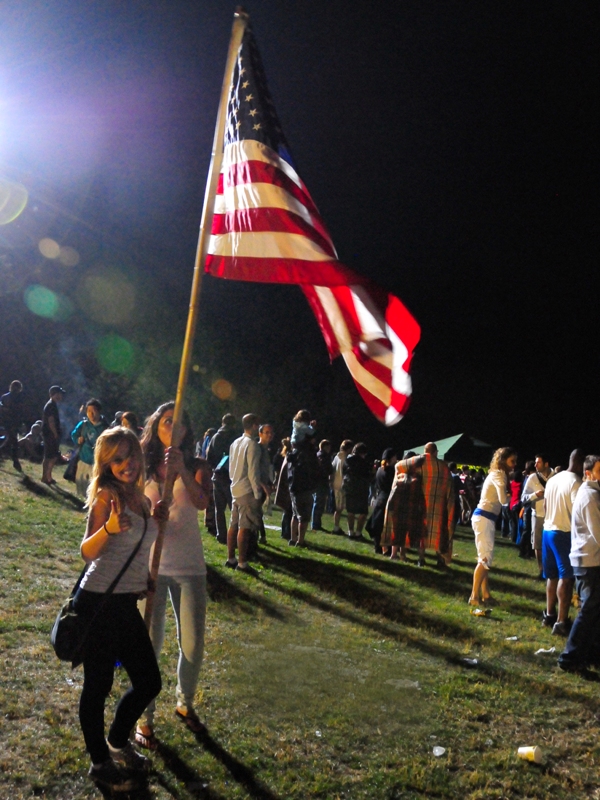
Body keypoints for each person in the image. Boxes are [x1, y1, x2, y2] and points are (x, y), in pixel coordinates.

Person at [72, 427, 165, 793]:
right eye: (117, 459)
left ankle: (117, 739)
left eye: (130, 456)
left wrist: (143, 580)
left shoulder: (141, 499)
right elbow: (86, 552)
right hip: (97, 601)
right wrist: (108, 528)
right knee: (98, 685)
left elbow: (137, 550)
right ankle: (100, 761)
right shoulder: (106, 497)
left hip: (126, 601)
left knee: (148, 681)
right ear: (106, 464)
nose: (126, 464)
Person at [135, 401, 212, 750]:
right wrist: (153, 514)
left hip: (189, 568)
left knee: (192, 644)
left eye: (179, 423)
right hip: (151, 567)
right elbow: (133, 512)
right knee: (148, 645)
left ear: (186, 432)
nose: (174, 427)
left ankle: (185, 703)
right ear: (156, 427)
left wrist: (181, 471)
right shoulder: (142, 467)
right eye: (167, 421)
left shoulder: (197, 466)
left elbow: (202, 503)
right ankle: (144, 717)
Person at [558, 455, 600, 675]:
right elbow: (598, 532)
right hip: (589, 561)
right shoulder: (591, 496)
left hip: (590, 559)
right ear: (588, 473)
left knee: (593, 612)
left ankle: (590, 654)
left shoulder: (591, 493)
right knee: (588, 612)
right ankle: (569, 658)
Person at [541, 448, 584, 635]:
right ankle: (561, 621)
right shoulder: (576, 482)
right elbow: (578, 511)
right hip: (563, 533)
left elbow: (544, 505)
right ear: (581, 464)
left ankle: (549, 614)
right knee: (566, 578)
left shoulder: (553, 478)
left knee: (551, 576)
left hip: (547, 530)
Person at [468, 447, 518, 606]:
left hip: (483, 517)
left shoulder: (496, 474)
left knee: (484, 558)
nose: (514, 465)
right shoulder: (499, 475)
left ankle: (486, 594)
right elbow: (503, 501)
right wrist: (513, 497)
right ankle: (474, 596)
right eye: (512, 461)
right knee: (484, 559)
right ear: (503, 461)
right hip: (485, 518)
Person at [395, 442, 455, 567]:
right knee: (438, 532)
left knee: (421, 534)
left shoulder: (417, 463)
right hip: (437, 506)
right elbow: (449, 487)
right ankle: (440, 560)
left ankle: (421, 559)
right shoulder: (443, 467)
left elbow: (398, 466)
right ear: (435, 452)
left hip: (420, 504)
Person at [225, 414, 264, 572]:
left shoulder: (235, 443)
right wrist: (258, 493)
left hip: (235, 487)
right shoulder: (252, 445)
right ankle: (242, 563)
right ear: (254, 425)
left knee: (233, 524)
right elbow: (253, 472)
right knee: (245, 527)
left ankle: (230, 558)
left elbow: (231, 466)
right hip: (246, 489)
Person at [206, 414, 238, 544]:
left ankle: (221, 534)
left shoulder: (215, 437)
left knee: (219, 509)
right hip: (232, 476)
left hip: (217, 475)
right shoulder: (235, 438)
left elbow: (209, 456)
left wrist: (215, 468)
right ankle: (235, 536)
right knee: (234, 509)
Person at [522, 454, 554, 578]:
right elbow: (523, 498)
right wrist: (534, 495)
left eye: (538, 462)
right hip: (538, 515)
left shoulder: (555, 477)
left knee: (551, 545)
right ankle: (542, 570)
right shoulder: (532, 478)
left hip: (552, 516)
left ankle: (550, 570)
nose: (535, 465)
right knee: (538, 544)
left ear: (546, 464)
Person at [71, 399, 109, 497]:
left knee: (94, 486)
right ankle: (80, 503)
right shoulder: (83, 424)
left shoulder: (105, 427)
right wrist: (77, 439)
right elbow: (74, 435)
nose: (91, 414)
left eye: (93, 411)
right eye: (88, 411)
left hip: (97, 462)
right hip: (83, 459)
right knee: (81, 483)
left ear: (99, 411)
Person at [365, 448, 397, 553]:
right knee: (386, 525)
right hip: (388, 498)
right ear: (391, 458)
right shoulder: (392, 471)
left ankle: (377, 546)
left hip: (380, 498)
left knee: (378, 524)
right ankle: (387, 549)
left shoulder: (379, 470)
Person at [41, 385, 65, 485]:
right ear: (53, 394)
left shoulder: (53, 404)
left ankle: (48, 476)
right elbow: (51, 421)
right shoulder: (50, 405)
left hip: (50, 434)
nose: (60, 396)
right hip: (50, 434)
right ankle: (46, 477)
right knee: (50, 456)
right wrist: (55, 433)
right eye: (58, 394)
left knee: (51, 455)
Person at [0, 380, 24, 471]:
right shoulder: (18, 398)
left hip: (7, 422)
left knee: (11, 440)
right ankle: (15, 461)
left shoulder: (5, 397)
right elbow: (19, 412)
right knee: (13, 441)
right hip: (12, 422)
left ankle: (14, 460)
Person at [331, 440, 353, 534]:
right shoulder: (348, 458)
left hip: (336, 484)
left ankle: (336, 527)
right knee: (346, 509)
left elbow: (332, 469)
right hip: (344, 485)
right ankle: (347, 529)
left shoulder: (337, 457)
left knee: (338, 508)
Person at [311, 439, 333, 532]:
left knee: (318, 503)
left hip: (317, 481)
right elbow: (327, 469)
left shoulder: (318, 455)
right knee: (319, 503)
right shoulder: (324, 456)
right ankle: (316, 524)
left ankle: (316, 523)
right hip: (321, 482)